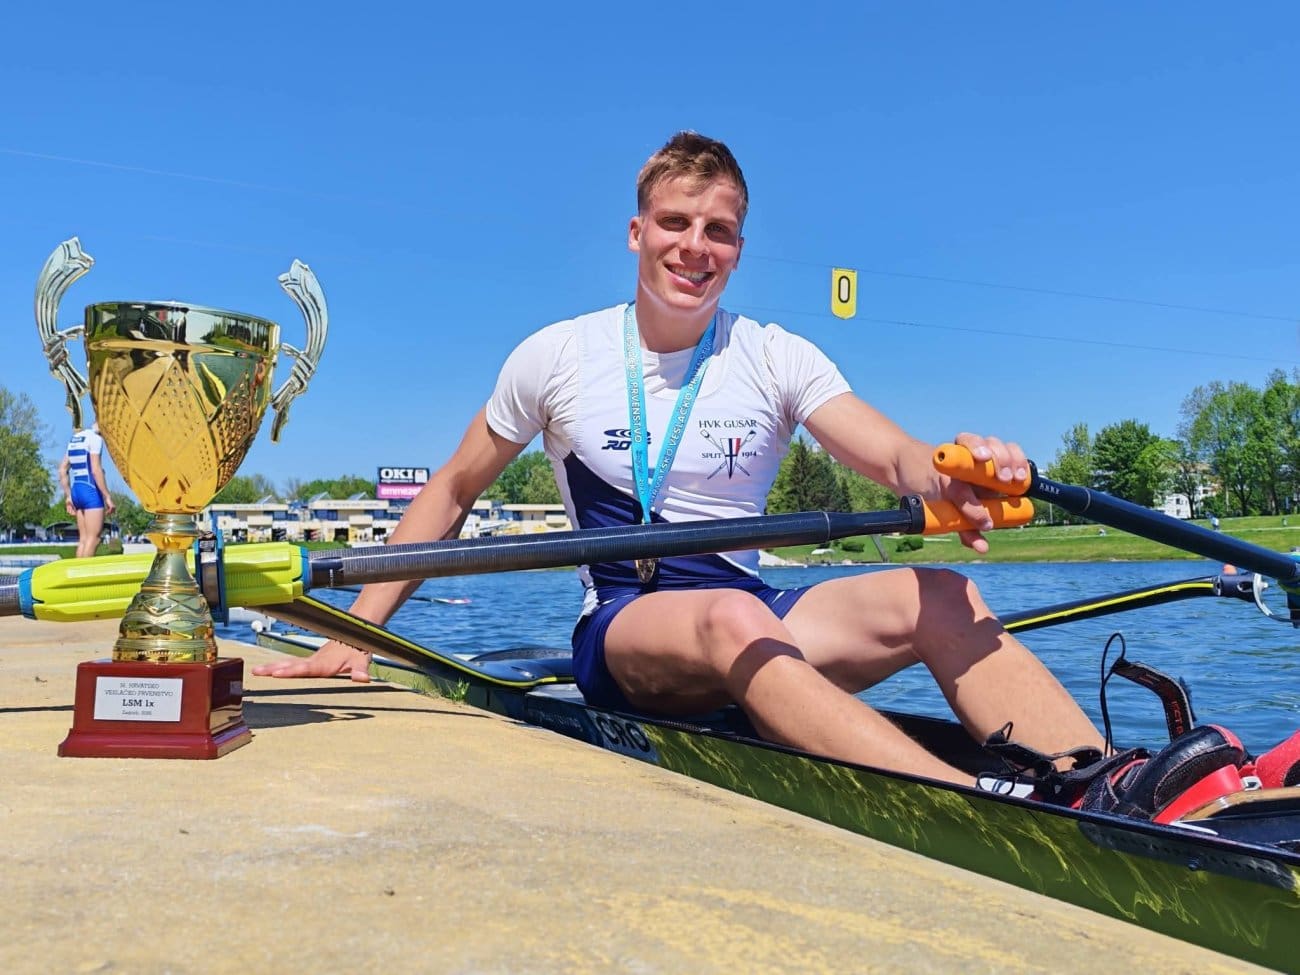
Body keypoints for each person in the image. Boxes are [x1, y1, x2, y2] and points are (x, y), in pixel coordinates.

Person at [255, 131, 1106, 787]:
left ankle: (1098, 785)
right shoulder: (556, 356)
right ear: (636, 232)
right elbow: (453, 488)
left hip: (755, 608)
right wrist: (359, 634)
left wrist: (945, 470)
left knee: (942, 593)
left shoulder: (776, 355)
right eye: (675, 222)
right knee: (737, 622)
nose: (695, 246)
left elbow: (890, 452)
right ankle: (976, 805)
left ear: (738, 246)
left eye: (719, 230)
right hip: (627, 629)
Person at [58, 422, 116, 559]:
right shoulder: (95, 439)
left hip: (77, 490)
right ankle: (82, 576)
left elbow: (62, 470)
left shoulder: (75, 438)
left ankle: (76, 576)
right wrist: (107, 496)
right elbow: (96, 470)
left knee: (84, 540)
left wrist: (68, 496)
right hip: (90, 491)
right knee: (94, 539)